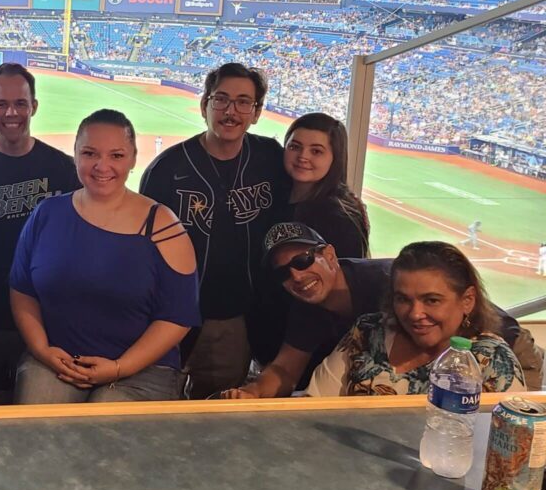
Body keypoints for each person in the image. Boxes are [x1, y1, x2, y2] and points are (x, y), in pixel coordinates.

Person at [226, 223, 543, 399]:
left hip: (508, 344)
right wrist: (251, 394)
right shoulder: (358, 325)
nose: (296, 276)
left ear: (330, 255)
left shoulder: (386, 281)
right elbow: (286, 370)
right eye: (283, 273)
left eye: (303, 261)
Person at [10, 110, 198, 403]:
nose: (102, 166)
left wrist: (121, 367)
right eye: (90, 153)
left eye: (117, 156)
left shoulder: (163, 225)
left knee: (104, 429)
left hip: (143, 369)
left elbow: (178, 316)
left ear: (134, 158)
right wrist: (41, 349)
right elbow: (22, 290)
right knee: (38, 425)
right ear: (74, 153)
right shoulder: (46, 214)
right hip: (58, 359)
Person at [139, 62, 289, 398]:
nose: (230, 111)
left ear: (257, 112)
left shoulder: (269, 157)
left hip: (234, 317)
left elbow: (301, 200)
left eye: (243, 102)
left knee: (217, 405)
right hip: (169, 312)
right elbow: (140, 245)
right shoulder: (167, 168)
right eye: (221, 99)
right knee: (155, 399)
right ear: (204, 104)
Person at [0, 63, 79, 392]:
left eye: (21, 103)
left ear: (34, 106)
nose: (11, 112)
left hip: (49, 321)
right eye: (1, 104)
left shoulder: (64, 169)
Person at [307, 241, 525, 396]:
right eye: (403, 299)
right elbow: (315, 401)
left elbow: (511, 444)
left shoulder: (492, 360)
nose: (415, 314)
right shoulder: (369, 331)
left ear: (467, 300)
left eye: (431, 300)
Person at [283, 113, 369, 258]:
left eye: (316, 151)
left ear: (335, 158)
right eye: (294, 147)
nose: (303, 157)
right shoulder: (270, 193)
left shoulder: (341, 219)